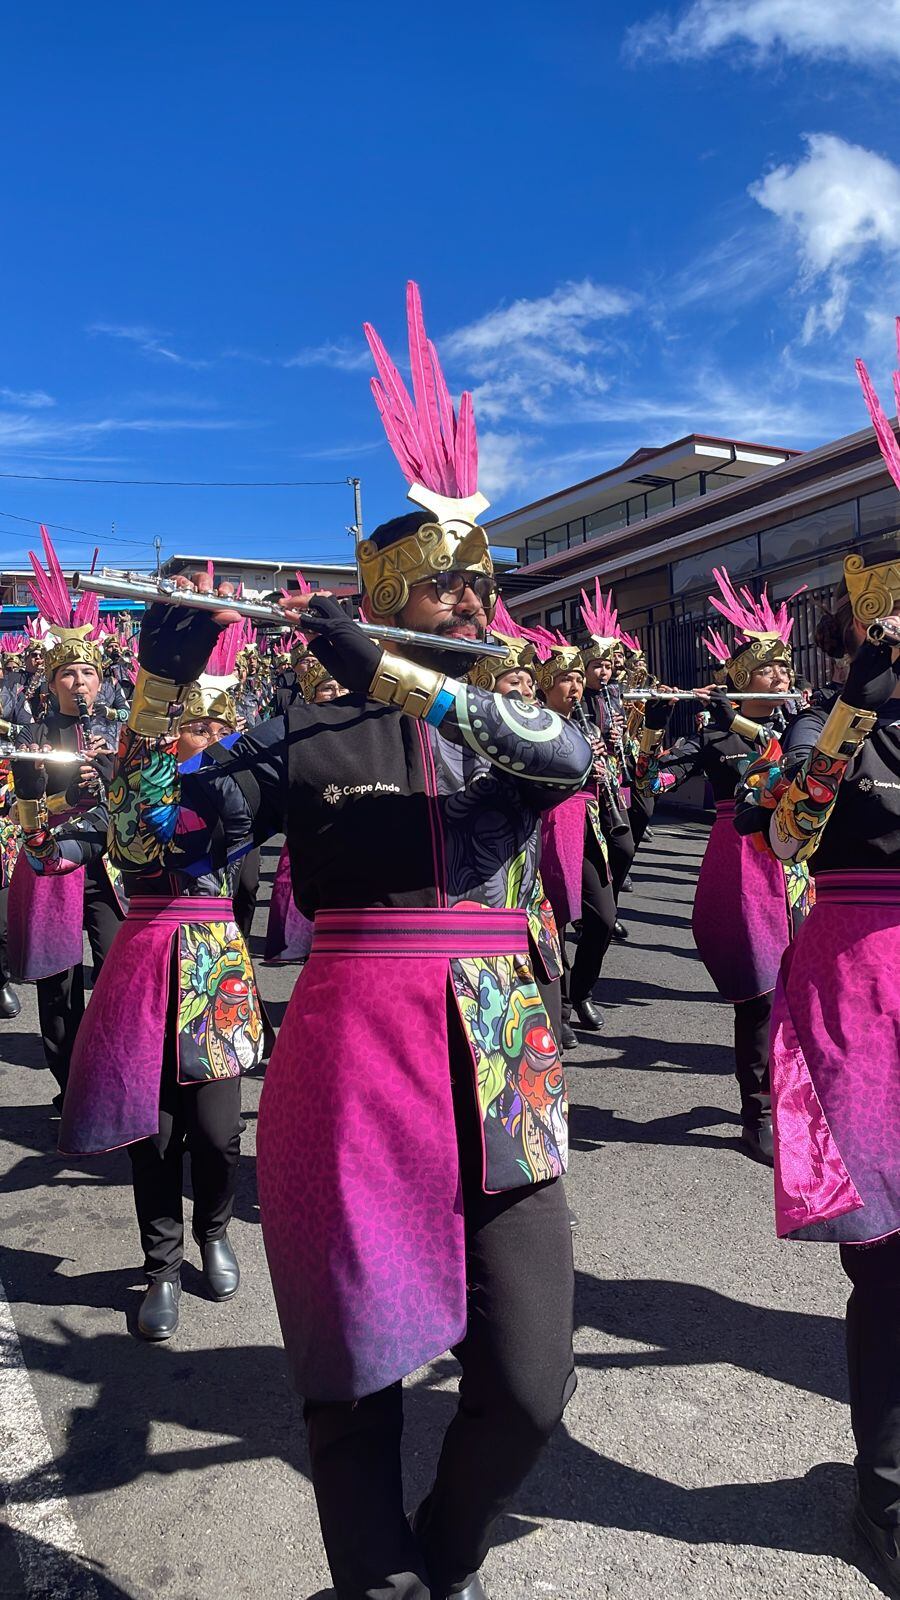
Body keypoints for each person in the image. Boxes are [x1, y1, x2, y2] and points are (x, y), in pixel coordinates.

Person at [108, 281, 591, 1600]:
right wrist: (159, 703)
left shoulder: (496, 716)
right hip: (353, 1039)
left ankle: (444, 1552)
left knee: (534, 1384)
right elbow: (160, 843)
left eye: (485, 586)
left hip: (503, 1039)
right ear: (393, 592)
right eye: (453, 588)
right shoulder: (297, 732)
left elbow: (573, 752)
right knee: (352, 1368)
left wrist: (404, 675)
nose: (481, 606)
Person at [13, 657, 264, 1340]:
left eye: (217, 725)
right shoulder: (124, 798)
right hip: (142, 966)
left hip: (214, 970)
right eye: (192, 724)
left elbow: (235, 838)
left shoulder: (234, 792)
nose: (202, 734)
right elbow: (53, 856)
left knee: (217, 1134)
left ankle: (213, 1231)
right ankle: (161, 1265)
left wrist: (194, 786)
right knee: (151, 1133)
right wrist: (35, 811)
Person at [736, 542, 900, 1588]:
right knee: (887, 1262)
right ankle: (883, 1494)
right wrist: (851, 712)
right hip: (859, 990)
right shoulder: (818, 726)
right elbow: (788, 834)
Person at [635, 568, 812, 1165]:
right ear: (739, 680)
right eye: (768, 669)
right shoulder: (715, 739)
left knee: (803, 988)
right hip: (742, 867)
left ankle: (799, 1100)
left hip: (799, 867)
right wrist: (653, 734)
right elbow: (655, 779)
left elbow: (809, 773)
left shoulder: (803, 728)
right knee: (758, 996)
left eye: (784, 668)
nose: (782, 677)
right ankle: (755, 1112)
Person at [6, 533, 125, 1107]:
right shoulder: (32, 736)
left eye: (87, 673)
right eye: (68, 675)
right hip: (54, 864)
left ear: (102, 679)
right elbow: (21, 809)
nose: (79, 683)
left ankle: (108, 1070)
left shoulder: (123, 732)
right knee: (58, 985)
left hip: (114, 865)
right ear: (51, 683)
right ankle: (69, 1082)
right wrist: (56, 797)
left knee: (117, 967)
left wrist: (112, 779)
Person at [533, 637, 614, 1041]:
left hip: (588, 819)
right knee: (558, 916)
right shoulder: (533, 723)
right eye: (565, 678)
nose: (575, 686)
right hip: (554, 820)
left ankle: (581, 991)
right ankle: (560, 1008)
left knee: (604, 917)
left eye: (578, 678)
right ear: (545, 684)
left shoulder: (588, 722)